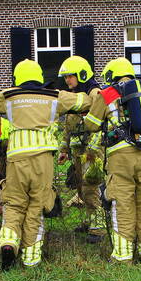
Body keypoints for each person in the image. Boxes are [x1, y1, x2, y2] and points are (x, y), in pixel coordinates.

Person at [0, 59, 90, 270]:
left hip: (16, 157)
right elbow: (84, 101)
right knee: (36, 206)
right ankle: (31, 258)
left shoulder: (9, 96)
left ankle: (8, 243)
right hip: (43, 158)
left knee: (14, 204)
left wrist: (14, 92)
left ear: (18, 78)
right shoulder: (55, 96)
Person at [83, 57, 141, 263]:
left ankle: (122, 256)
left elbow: (91, 124)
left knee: (123, 204)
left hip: (121, 154)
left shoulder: (106, 94)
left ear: (110, 75)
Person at [57, 55, 105, 243]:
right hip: (77, 151)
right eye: (66, 76)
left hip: (92, 151)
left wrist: (93, 152)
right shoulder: (75, 97)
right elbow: (68, 125)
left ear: (82, 75)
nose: (67, 80)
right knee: (80, 188)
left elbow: (100, 123)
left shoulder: (95, 95)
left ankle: (99, 228)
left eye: (71, 76)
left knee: (90, 188)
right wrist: (64, 149)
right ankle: (90, 221)